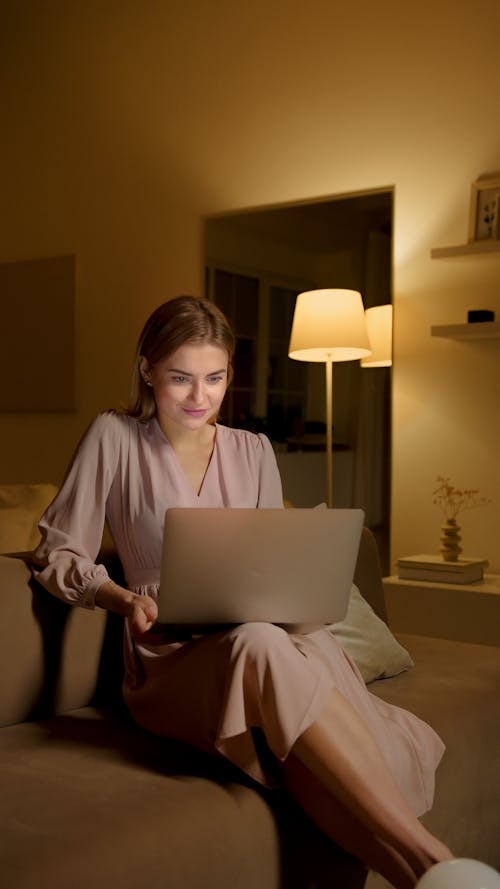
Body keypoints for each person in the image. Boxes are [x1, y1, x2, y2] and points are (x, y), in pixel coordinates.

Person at [33, 295, 453, 888]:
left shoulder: (252, 450)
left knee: (271, 648)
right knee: (260, 645)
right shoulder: (115, 437)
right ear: (148, 369)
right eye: (180, 378)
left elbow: (271, 563)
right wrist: (121, 598)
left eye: (216, 377)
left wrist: (300, 606)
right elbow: (58, 550)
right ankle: (438, 861)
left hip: (266, 637)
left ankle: (421, 875)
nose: (199, 397)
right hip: (171, 655)